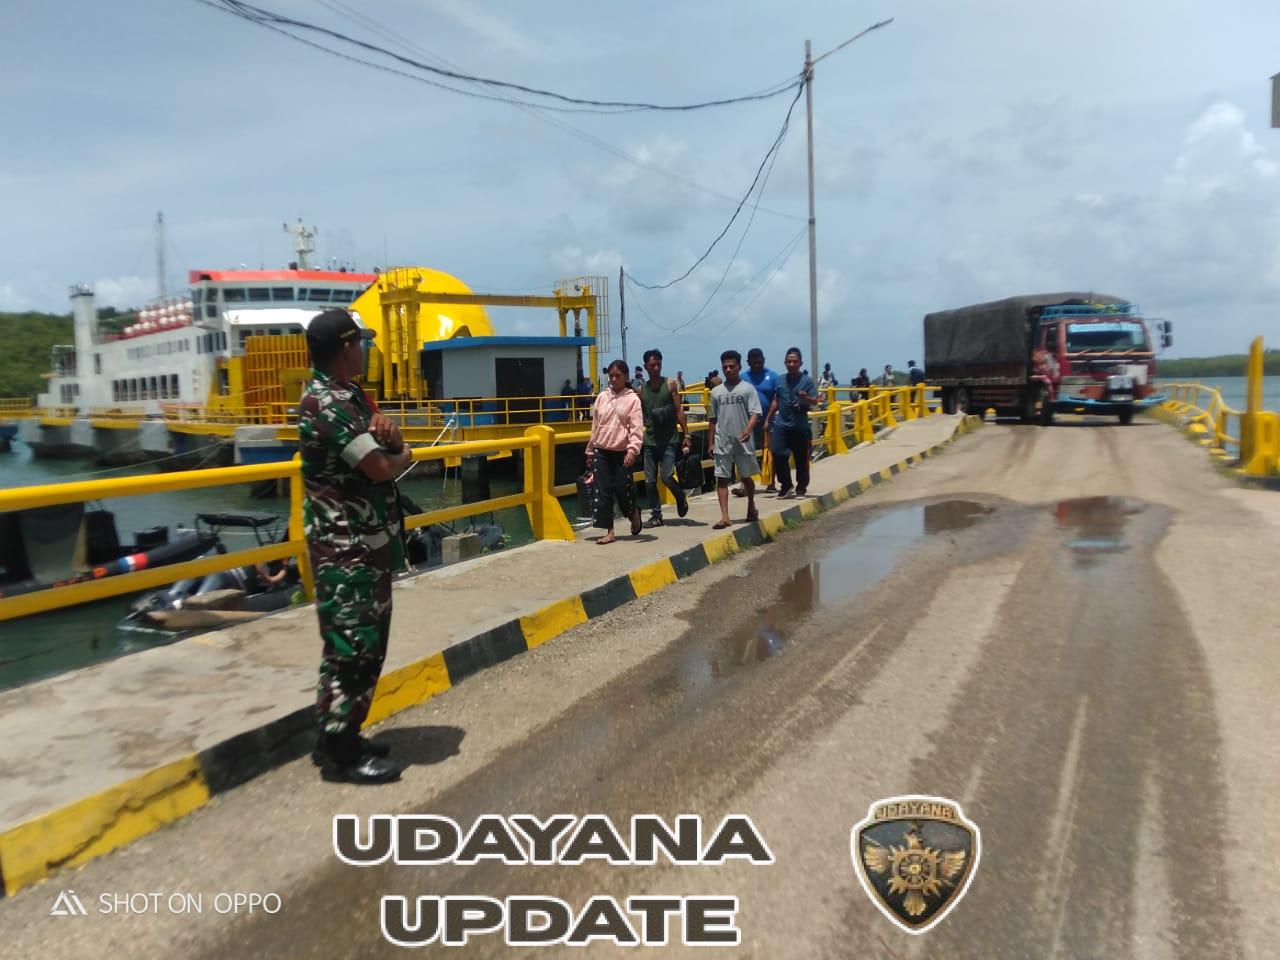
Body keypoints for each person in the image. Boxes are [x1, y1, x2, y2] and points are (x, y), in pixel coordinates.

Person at [299, 309, 410, 784]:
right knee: (356, 647)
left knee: (351, 645)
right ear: (346, 348)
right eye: (359, 342)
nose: (364, 349)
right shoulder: (328, 403)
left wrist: (393, 437)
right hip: (344, 550)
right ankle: (342, 755)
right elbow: (382, 468)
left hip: (363, 544)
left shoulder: (351, 397)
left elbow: (384, 442)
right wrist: (406, 453)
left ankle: (336, 736)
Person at [586, 359, 644, 544]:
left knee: (622, 489)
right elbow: (596, 425)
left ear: (625, 377)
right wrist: (590, 449)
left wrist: (633, 450)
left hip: (621, 451)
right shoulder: (602, 397)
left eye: (617, 375)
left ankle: (633, 512)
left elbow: (636, 427)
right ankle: (609, 531)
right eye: (611, 375)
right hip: (602, 450)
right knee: (603, 492)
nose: (613, 379)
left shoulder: (632, 399)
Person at [707, 349, 761, 529]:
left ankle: (751, 505)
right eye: (725, 367)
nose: (728, 370)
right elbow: (712, 419)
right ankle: (725, 516)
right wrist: (710, 443)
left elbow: (755, 412)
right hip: (723, 441)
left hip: (743, 441)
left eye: (732, 366)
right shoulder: (716, 392)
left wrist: (748, 428)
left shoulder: (747, 389)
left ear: (739, 366)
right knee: (721, 478)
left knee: (746, 477)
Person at [638, 348, 691, 527]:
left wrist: (686, 434)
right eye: (652, 365)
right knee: (649, 481)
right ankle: (656, 514)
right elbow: (638, 415)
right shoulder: (641, 390)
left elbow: (678, 410)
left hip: (669, 440)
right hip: (651, 441)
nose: (655, 368)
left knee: (667, 477)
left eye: (658, 364)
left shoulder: (670, 384)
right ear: (646, 366)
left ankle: (679, 495)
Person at [767, 347, 817, 498]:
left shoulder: (807, 381)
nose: (792, 364)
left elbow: (815, 401)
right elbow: (777, 399)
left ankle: (801, 488)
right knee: (777, 454)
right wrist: (768, 418)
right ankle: (786, 485)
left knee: (801, 460)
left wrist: (806, 397)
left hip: (800, 427)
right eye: (789, 361)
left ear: (800, 363)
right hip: (781, 425)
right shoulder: (780, 380)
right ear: (785, 363)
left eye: (795, 361)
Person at [734, 347, 779, 496]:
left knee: (769, 451)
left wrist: (769, 418)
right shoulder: (743, 377)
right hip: (748, 422)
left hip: (768, 420)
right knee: (745, 453)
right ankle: (744, 484)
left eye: (759, 362)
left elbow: (776, 398)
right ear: (748, 362)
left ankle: (771, 482)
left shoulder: (772, 376)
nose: (756, 365)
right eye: (753, 363)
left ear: (763, 360)